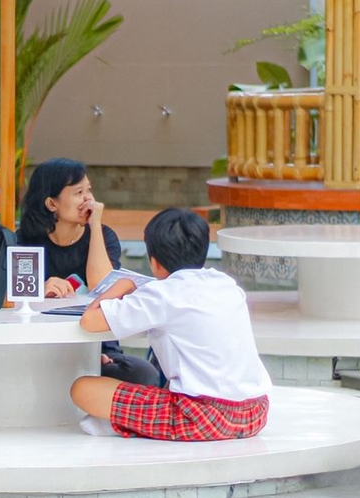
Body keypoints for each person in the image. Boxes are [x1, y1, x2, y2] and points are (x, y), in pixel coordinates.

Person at [70, 208, 271, 440]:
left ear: (154, 262)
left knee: (83, 388)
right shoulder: (225, 284)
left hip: (200, 417)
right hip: (254, 412)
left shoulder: (163, 294)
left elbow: (89, 321)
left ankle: (124, 425)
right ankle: (124, 425)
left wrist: (123, 285)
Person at [16, 157, 163, 387]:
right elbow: (11, 300)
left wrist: (95, 226)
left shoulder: (103, 237)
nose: (88, 199)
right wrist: (37, 289)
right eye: (78, 192)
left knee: (143, 374)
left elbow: (101, 287)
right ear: (52, 203)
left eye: (89, 190)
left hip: (99, 346)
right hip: (43, 347)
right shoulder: (24, 241)